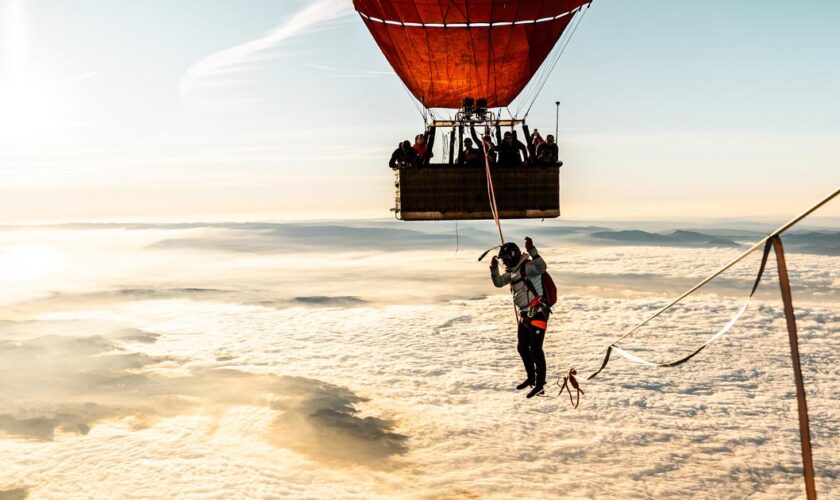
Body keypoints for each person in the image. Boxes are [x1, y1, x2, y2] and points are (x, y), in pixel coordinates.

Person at [490, 237, 550, 398]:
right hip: (525, 314)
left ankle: (540, 384)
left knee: (536, 348)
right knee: (522, 347)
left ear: (513, 256)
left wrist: (532, 251)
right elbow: (498, 283)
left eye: (505, 259)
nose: (505, 263)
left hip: (536, 312)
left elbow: (542, 267)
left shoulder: (528, 266)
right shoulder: (514, 271)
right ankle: (531, 377)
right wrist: (493, 269)